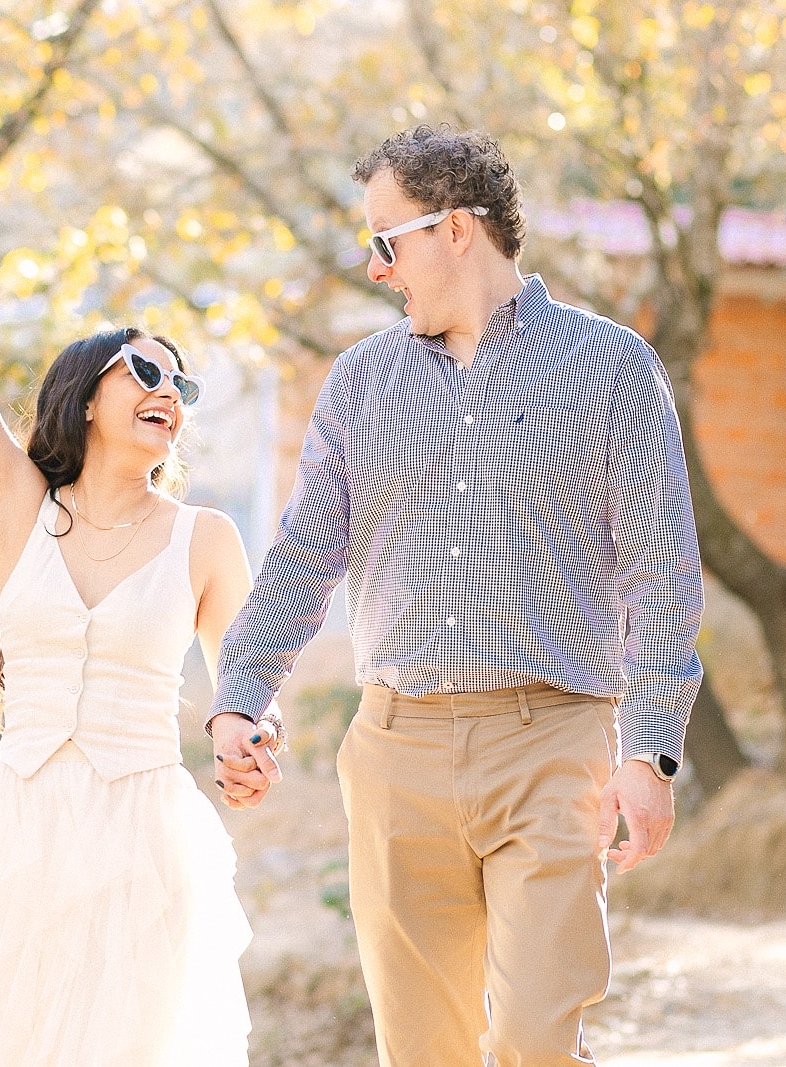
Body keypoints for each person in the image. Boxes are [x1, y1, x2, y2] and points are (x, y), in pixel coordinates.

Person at [207, 125, 704, 1066]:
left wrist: (651, 751)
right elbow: (305, 556)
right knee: (424, 1051)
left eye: (387, 239)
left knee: (534, 1039)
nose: (375, 266)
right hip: (399, 751)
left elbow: (661, 574)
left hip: (553, 744)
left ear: (458, 229)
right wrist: (240, 692)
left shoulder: (613, 369)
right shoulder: (360, 383)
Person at [0, 104, 277, 1065]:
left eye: (182, 385)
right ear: (87, 391)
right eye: (146, 369)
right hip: (20, 842)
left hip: (148, 848)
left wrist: (252, 742)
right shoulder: (18, 511)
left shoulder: (206, 539)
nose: (168, 392)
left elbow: (249, 684)